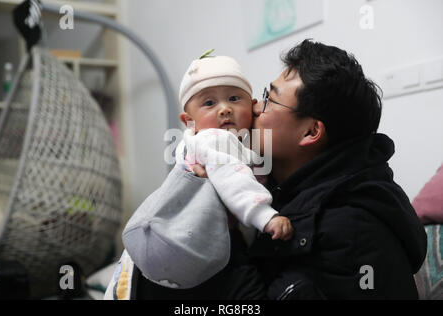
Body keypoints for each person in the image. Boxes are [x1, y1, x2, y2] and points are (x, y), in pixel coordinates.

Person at [134, 39, 428, 300]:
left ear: (311, 132)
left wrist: (222, 228)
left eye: (270, 98)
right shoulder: (277, 185)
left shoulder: (352, 232)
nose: (256, 107)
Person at [175, 52, 293, 240]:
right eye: (209, 103)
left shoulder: (242, 141)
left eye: (234, 99)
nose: (225, 109)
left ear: (252, 105)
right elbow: (232, 178)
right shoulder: (213, 139)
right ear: (189, 121)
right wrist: (265, 216)